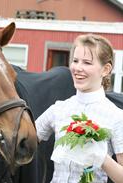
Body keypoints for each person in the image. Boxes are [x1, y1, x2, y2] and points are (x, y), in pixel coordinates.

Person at [35, 34, 123, 183]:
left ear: (106, 69)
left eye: (87, 63)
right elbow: (23, 141)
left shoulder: (116, 116)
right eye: (75, 61)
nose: (77, 68)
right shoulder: (59, 109)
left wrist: (103, 159)